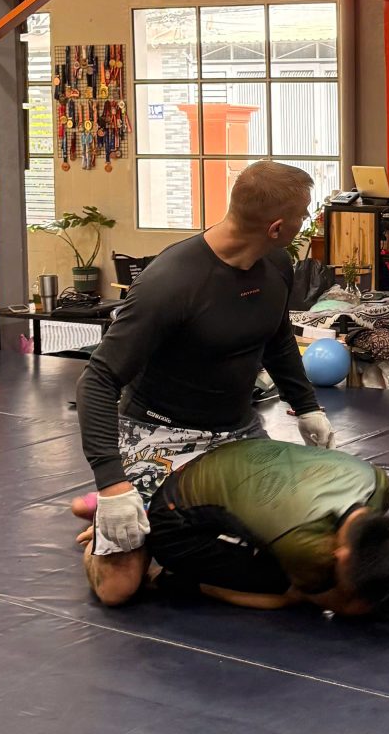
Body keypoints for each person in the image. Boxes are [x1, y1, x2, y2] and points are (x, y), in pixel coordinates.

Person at [75, 162, 335, 604]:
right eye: (303, 214)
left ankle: (146, 524)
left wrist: (306, 406)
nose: (306, 221)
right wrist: (112, 485)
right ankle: (113, 518)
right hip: (159, 434)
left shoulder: (276, 263)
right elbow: (96, 381)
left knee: (304, 542)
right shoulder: (170, 283)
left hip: (237, 433)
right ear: (276, 226)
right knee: (118, 590)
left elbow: (276, 336)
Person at [74, 438, 389, 614]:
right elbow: (348, 606)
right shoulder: (306, 547)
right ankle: (116, 528)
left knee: (296, 566)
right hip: (178, 516)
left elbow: (385, 538)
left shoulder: (377, 484)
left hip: (242, 463)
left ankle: (130, 511)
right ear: (337, 554)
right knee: (285, 596)